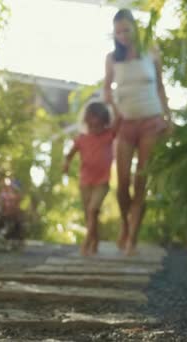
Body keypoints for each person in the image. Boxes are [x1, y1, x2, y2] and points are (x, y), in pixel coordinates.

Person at [103, 9, 172, 256]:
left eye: (126, 30)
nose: (122, 35)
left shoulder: (151, 51)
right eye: (118, 31)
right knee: (122, 184)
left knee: (141, 182)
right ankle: (125, 223)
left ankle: (133, 236)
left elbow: (161, 87)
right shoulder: (112, 58)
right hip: (125, 124)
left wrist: (168, 117)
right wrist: (115, 112)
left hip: (151, 121)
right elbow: (107, 91)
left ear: (135, 28)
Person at [63, 102, 120, 256]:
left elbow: (119, 121)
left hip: (102, 181)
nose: (96, 128)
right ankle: (95, 239)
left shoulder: (109, 135)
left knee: (93, 209)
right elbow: (70, 154)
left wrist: (112, 103)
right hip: (85, 181)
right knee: (89, 214)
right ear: (87, 121)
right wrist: (66, 164)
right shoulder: (81, 138)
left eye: (99, 125)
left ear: (105, 122)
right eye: (92, 124)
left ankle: (87, 243)